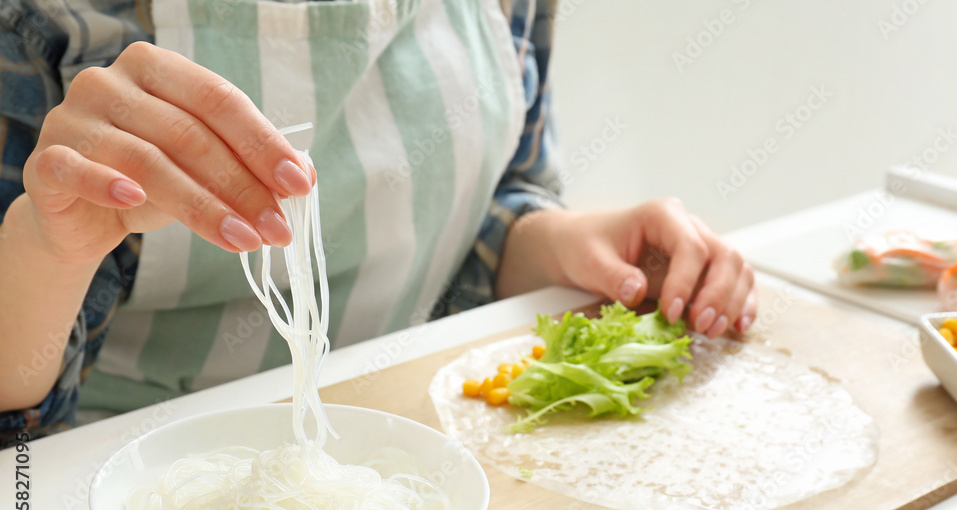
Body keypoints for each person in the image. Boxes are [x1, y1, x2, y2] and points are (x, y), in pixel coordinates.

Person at [0, 0, 756, 446]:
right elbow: (19, 436)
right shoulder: (41, 21)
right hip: (122, 491)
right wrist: (45, 248)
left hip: (412, 443)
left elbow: (494, 199)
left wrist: (552, 243)